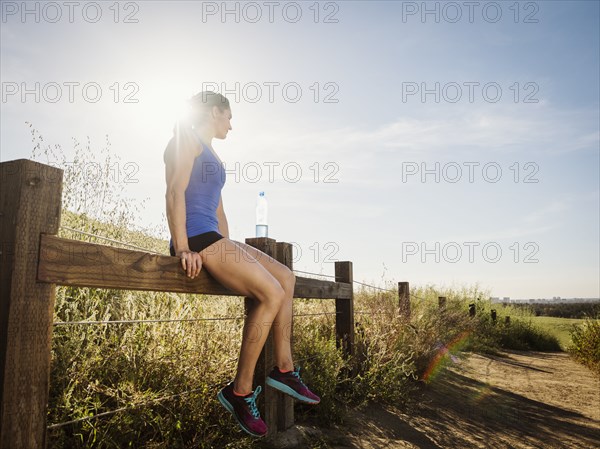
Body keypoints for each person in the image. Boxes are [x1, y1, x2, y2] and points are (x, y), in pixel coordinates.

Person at [163, 91, 320, 438]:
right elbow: (175, 192)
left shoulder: (212, 154)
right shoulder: (184, 140)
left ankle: (284, 369)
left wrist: (232, 247)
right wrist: (183, 248)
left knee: (285, 278)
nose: (231, 125)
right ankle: (239, 391)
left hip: (214, 238)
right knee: (269, 292)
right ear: (215, 111)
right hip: (195, 238)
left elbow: (216, 207)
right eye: (229, 117)